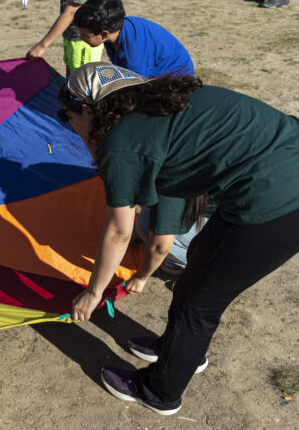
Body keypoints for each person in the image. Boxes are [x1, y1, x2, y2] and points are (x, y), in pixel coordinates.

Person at [58, 62, 299, 416]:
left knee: (198, 305)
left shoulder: (121, 140)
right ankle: (181, 351)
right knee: (199, 264)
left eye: (68, 118)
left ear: (87, 110)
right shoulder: (163, 101)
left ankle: (160, 391)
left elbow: (119, 230)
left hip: (273, 203)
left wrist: (94, 291)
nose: (71, 127)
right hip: (282, 162)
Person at [73, 0, 194, 77]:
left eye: (84, 35)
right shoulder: (114, 27)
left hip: (176, 80)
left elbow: (136, 87)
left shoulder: (133, 57)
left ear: (104, 34)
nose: (80, 37)